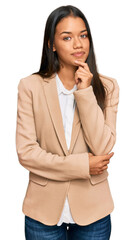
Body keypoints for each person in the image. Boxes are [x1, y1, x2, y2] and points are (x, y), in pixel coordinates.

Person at [16, 5, 119, 240]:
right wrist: (83, 166)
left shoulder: (108, 86)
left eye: (83, 35)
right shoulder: (29, 87)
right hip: (43, 211)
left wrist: (84, 93)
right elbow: (27, 154)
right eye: (67, 37)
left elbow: (102, 148)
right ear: (51, 44)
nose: (78, 44)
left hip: (94, 211)